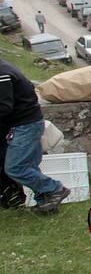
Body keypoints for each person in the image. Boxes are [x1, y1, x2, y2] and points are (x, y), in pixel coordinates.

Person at [1, 58, 69, 214]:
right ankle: (46, 205)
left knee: (15, 168)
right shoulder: (4, 67)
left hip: (25, 125)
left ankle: (55, 189)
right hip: (29, 122)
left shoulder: (2, 73)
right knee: (29, 166)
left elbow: (3, 107)